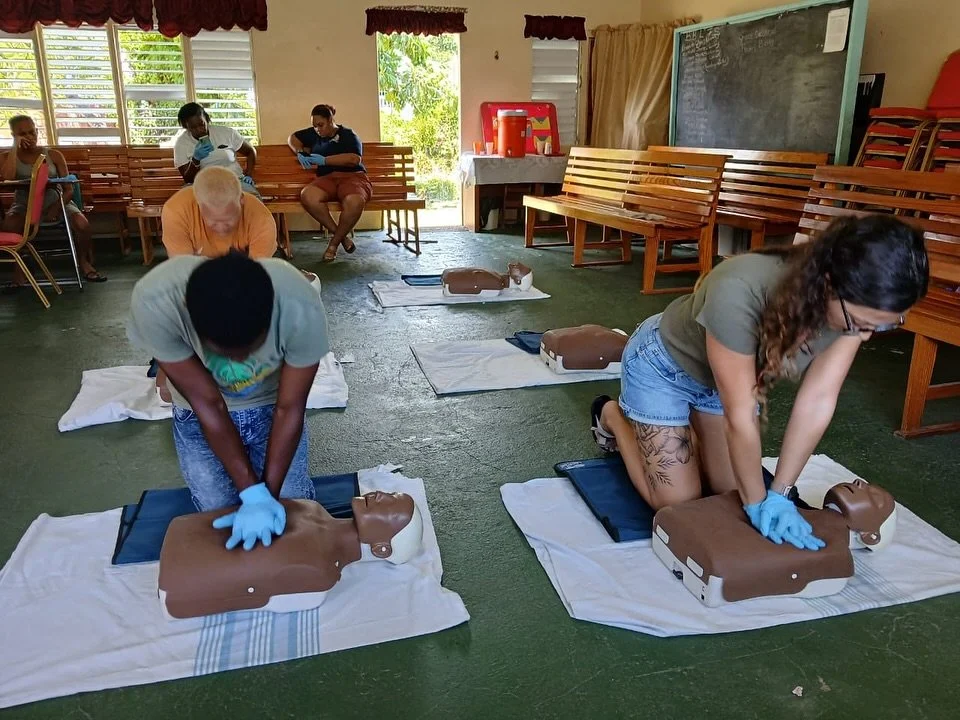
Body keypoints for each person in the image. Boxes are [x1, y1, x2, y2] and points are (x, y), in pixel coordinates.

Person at [589, 214, 929, 551]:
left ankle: (681, 429)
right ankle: (613, 415)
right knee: (680, 503)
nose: (866, 335)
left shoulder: (854, 310)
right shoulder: (739, 288)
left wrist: (780, 494)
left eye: (883, 326)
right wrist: (756, 503)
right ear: (829, 282)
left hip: (725, 383)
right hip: (663, 368)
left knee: (727, 492)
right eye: (862, 322)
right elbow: (740, 415)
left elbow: (818, 399)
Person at [128, 252, 330, 551]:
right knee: (218, 513)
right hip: (196, 412)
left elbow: (290, 408)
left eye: (250, 348)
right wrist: (251, 493)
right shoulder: (155, 303)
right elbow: (208, 404)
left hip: (271, 405)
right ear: (189, 315)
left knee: (293, 506)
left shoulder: (299, 305)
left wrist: (267, 498)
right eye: (224, 351)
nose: (239, 363)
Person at [1, 115, 106, 283]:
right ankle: (20, 267)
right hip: (24, 204)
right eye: (22, 134)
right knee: (9, 225)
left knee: (82, 225)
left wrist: (57, 207)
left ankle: (83, 261)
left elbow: (69, 189)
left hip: (56, 201)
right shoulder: (8, 157)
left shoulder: (54, 155)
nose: (29, 137)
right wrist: (15, 147)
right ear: (14, 135)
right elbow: (6, 178)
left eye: (32, 132)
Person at [288, 104, 372, 262]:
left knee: (354, 201)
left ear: (330, 120)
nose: (318, 129)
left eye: (320, 125)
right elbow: (292, 137)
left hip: (352, 177)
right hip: (327, 179)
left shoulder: (348, 134)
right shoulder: (314, 134)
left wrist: (325, 160)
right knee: (308, 195)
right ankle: (342, 238)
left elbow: (354, 159)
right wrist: (299, 152)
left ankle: (333, 245)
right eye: (314, 126)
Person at [161, 166, 277, 259]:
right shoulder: (176, 211)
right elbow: (182, 271)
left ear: (241, 200)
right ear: (198, 204)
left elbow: (256, 275)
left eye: (228, 220)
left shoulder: (262, 220)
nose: (221, 228)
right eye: (214, 221)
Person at [173, 102, 258, 194]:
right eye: (193, 127)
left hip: (234, 180)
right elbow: (188, 179)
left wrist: (248, 175)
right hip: (202, 185)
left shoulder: (226, 133)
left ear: (206, 119)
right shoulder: (182, 144)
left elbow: (250, 151)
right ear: (186, 127)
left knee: (252, 199)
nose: (199, 130)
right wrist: (195, 160)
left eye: (202, 124)